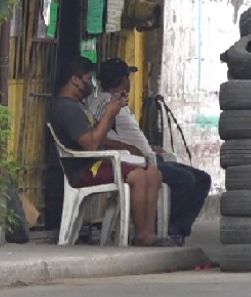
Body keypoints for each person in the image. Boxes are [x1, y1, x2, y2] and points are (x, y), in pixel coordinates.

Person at [87, 58, 212, 247]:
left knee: (201, 179)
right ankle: (169, 228)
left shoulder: (105, 101)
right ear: (123, 79)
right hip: (140, 162)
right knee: (188, 181)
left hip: (148, 156)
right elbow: (100, 136)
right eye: (128, 77)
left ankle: (173, 228)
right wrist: (128, 148)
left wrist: (148, 146)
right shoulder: (110, 103)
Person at [48, 56, 168, 247]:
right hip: (84, 168)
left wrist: (124, 146)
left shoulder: (78, 106)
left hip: (97, 161)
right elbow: (91, 144)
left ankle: (148, 234)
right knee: (138, 177)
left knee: (153, 173)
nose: (90, 85)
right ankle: (141, 235)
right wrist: (109, 113)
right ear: (75, 80)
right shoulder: (66, 109)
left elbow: (99, 136)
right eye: (88, 80)